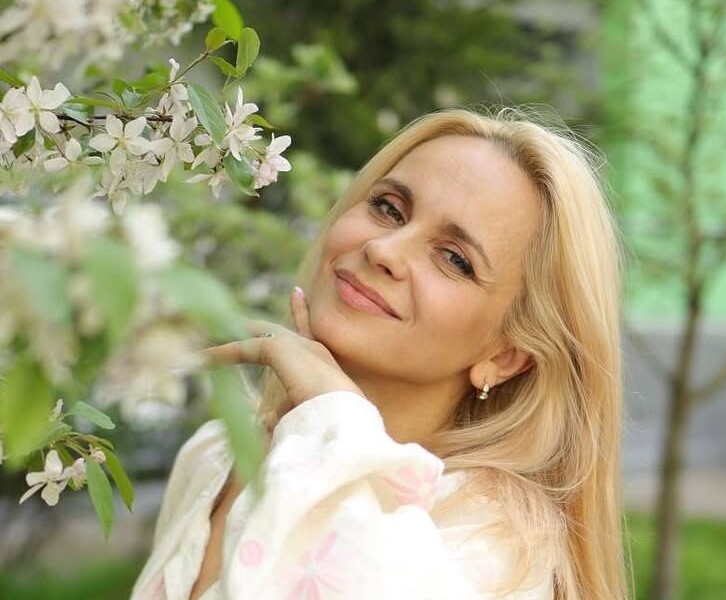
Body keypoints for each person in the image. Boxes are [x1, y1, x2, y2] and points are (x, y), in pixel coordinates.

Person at [130, 108, 626, 600]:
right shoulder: (214, 457)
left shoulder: (492, 556)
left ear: (505, 357)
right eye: (389, 208)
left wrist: (334, 416)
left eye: (455, 259)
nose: (383, 250)